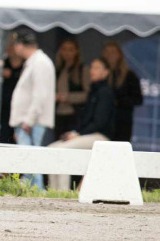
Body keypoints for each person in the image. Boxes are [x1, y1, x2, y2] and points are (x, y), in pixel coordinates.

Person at [47, 57, 117, 191]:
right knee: (52, 148)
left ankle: (62, 192)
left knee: (62, 150)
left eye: (97, 68)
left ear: (106, 72)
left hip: (100, 136)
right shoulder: (93, 91)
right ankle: (53, 191)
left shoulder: (105, 92)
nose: (92, 71)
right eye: (92, 67)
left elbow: (99, 123)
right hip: (87, 134)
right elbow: (84, 121)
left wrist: (78, 134)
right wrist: (74, 133)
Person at [9, 29, 55, 189]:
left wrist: (28, 120)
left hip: (31, 122)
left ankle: (38, 192)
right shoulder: (35, 62)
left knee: (31, 160)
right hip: (28, 121)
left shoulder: (40, 63)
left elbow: (40, 95)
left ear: (20, 45)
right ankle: (33, 192)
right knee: (29, 160)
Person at [102, 41, 143, 143]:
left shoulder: (129, 76)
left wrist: (119, 102)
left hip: (122, 121)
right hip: (104, 120)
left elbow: (138, 99)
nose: (109, 55)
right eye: (107, 52)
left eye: (113, 52)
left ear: (120, 54)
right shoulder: (101, 76)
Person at [54, 38, 90, 140]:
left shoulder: (82, 70)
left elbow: (87, 94)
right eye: (64, 49)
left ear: (76, 51)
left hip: (75, 115)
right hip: (58, 114)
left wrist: (68, 97)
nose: (67, 53)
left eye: (70, 49)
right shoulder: (57, 69)